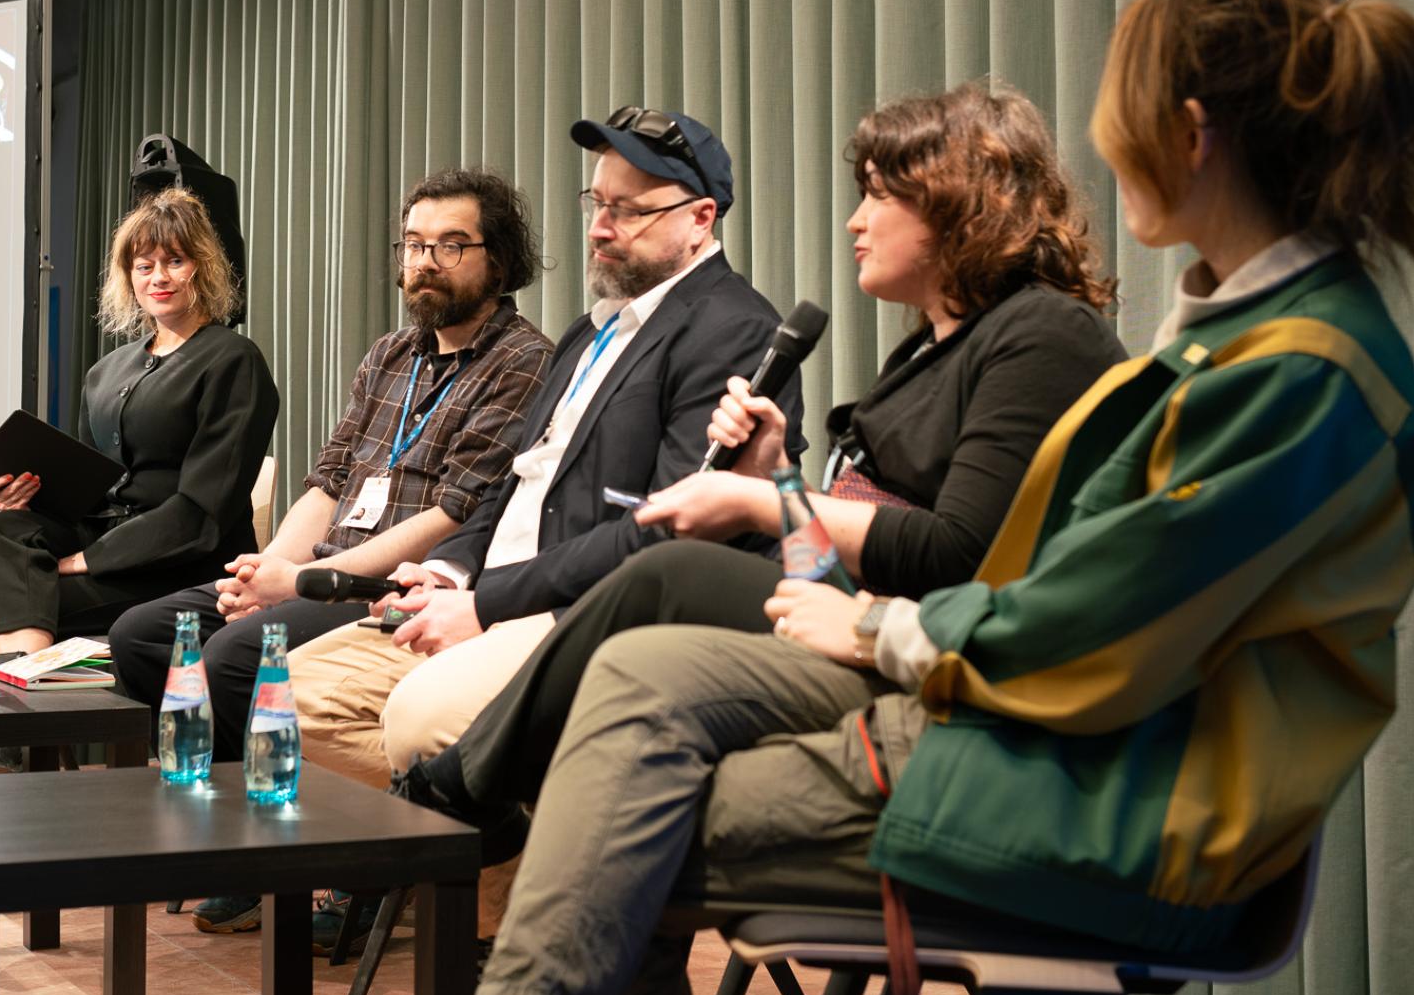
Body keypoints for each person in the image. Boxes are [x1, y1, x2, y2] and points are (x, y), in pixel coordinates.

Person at [421, 0, 1414, 995]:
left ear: (1193, 134)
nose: (1109, 149)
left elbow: (1077, 616)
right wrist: (799, 516)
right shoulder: (1240, 340)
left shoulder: (1294, 371)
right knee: (632, 687)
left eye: (1123, 122)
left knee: (617, 811)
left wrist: (871, 625)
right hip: (1035, 736)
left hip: (1107, 803)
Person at [399, 80, 1127, 830]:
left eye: (879, 197)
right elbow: (839, 558)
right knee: (651, 621)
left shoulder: (1042, 335)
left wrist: (762, 504)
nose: (855, 221)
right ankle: (461, 798)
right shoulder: (928, 349)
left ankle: (452, 791)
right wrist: (774, 475)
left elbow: (958, 553)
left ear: (961, 209)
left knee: (664, 576)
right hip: (850, 611)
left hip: (935, 657)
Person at [286, 108, 804, 928]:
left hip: (579, 611)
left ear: (701, 218)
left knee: (424, 720)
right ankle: (516, 840)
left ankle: (498, 915)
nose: (600, 228)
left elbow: (667, 529)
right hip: (493, 594)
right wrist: (450, 567)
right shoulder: (589, 332)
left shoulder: (731, 330)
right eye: (597, 203)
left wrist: (488, 604)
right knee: (292, 695)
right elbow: (514, 483)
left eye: (629, 210)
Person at [106, 168, 554, 932]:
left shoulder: (522, 361)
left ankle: (345, 860)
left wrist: (304, 581)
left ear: (500, 260)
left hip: (397, 585)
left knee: (234, 659)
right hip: (319, 571)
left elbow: (455, 513)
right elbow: (330, 479)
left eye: (451, 245)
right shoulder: (391, 354)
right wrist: (267, 570)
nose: (426, 262)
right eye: (414, 245)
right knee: (144, 637)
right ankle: (248, 842)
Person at [0, 186, 277, 662]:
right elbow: (90, 493)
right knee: (3, 530)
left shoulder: (233, 360)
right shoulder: (106, 372)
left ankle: (18, 686)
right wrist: (26, 495)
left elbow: (200, 514)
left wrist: (84, 561)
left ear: (202, 266)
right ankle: (24, 675)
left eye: (175, 261)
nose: (159, 277)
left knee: (19, 602)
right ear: (128, 276)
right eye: (144, 266)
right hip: (108, 544)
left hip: (182, 563)